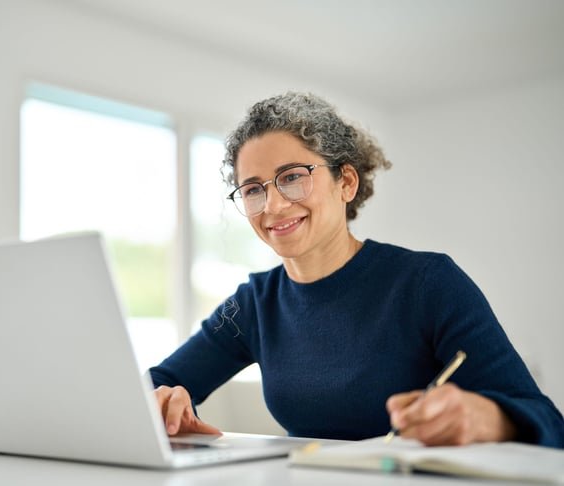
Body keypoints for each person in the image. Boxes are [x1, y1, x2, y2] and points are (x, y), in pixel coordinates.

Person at [149, 92, 564, 448]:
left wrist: (489, 419)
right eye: (253, 189)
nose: (272, 206)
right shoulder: (253, 305)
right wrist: (166, 404)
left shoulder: (428, 283)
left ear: (346, 182)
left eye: (292, 177)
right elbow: (154, 385)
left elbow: (548, 422)